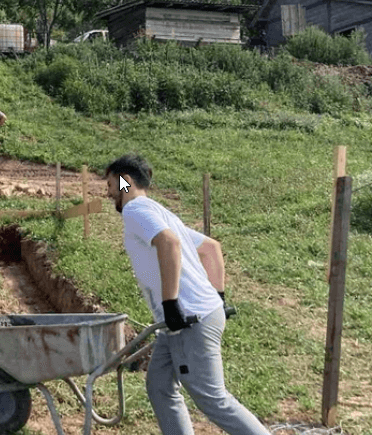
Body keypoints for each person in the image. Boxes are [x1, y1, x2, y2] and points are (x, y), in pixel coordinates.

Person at [103, 154, 269, 435]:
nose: (108, 193)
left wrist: (170, 303)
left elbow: (168, 243)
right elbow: (211, 248)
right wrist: (219, 297)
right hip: (183, 321)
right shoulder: (161, 213)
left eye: (111, 185)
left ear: (126, 182)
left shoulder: (135, 210)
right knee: (159, 386)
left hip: (188, 319)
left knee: (213, 400)